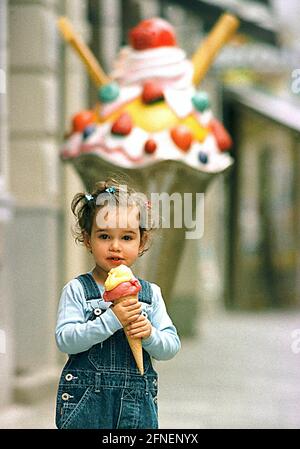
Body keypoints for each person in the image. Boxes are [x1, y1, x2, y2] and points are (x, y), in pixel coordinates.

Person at [55, 178, 181, 429]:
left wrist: (150, 335)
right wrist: (112, 319)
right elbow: (66, 339)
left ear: (141, 242)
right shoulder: (78, 289)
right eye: (104, 236)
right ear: (88, 239)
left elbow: (171, 346)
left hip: (136, 406)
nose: (115, 246)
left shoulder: (150, 294)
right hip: (86, 405)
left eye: (126, 237)